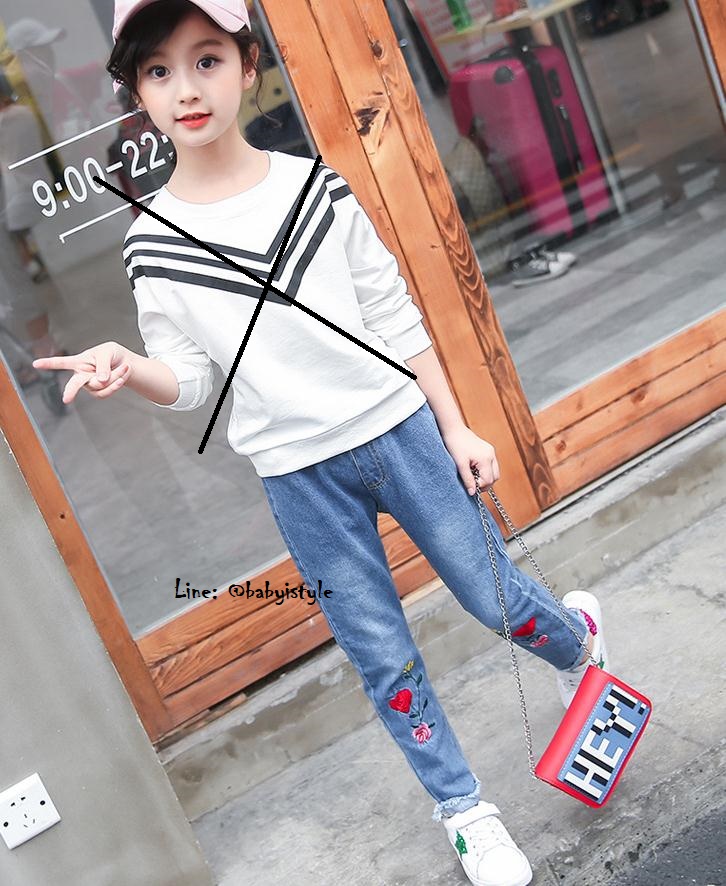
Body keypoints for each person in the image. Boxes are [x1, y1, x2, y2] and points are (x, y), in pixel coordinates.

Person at [33, 2, 610, 883]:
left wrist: (456, 424)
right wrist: (130, 365)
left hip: (399, 431)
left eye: (206, 59)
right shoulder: (150, 244)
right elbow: (192, 380)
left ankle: (577, 643)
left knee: (493, 597)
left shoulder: (315, 189)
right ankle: (464, 809)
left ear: (247, 64)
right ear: (135, 93)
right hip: (299, 479)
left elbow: (393, 313)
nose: (186, 89)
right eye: (158, 71)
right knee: (381, 653)